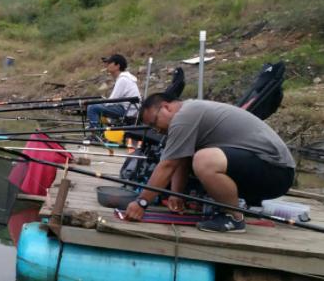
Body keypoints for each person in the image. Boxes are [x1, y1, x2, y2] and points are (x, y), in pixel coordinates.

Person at [124, 93, 296, 233]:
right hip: (259, 168)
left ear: (166, 107)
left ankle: (234, 219)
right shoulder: (188, 114)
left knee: (204, 160)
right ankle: (228, 207)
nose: (157, 130)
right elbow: (179, 161)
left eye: (154, 122)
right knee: (198, 158)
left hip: (277, 171)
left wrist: (142, 202)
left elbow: (167, 165)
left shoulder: (185, 115)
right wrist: (176, 195)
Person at [86, 54, 140, 128]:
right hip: (128, 109)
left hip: (127, 111)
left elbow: (112, 101)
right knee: (96, 106)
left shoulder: (123, 79)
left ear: (117, 66)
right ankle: (96, 128)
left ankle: (96, 133)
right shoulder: (124, 78)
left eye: (110, 63)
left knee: (92, 108)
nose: (107, 65)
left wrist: (98, 104)